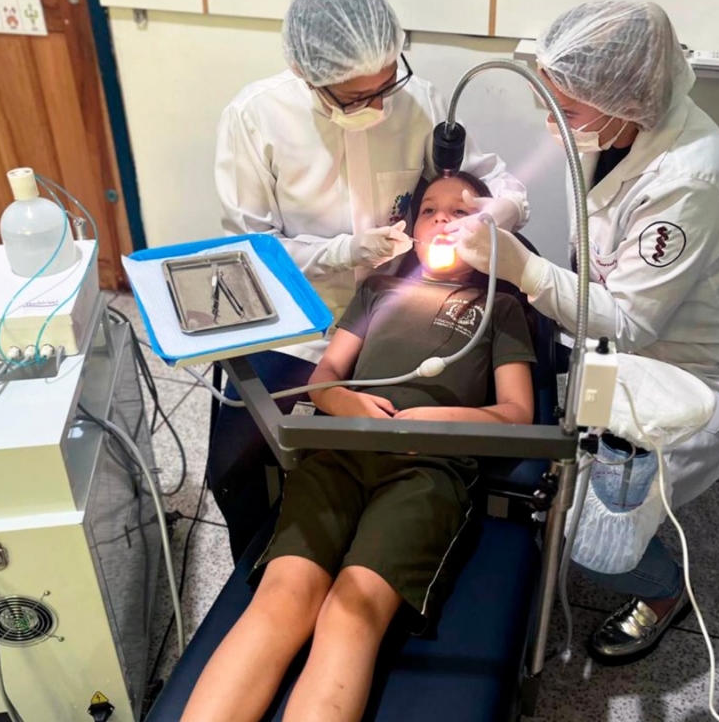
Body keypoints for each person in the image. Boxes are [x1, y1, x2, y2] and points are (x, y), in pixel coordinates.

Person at [452, 0, 719, 665]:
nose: (552, 122)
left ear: (625, 99)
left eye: (565, 111)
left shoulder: (689, 180)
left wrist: (521, 267)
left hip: (693, 381)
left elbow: (630, 319)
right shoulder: (615, 134)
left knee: (581, 530)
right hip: (617, 355)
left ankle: (663, 591)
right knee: (561, 476)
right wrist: (503, 219)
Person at [181, 174, 536, 722]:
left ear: (488, 230)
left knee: (352, 610)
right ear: (411, 228)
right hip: (339, 451)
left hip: (425, 472)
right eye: (429, 210)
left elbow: (517, 414)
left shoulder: (498, 308)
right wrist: (343, 401)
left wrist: (439, 420)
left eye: (461, 212)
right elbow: (324, 376)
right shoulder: (378, 291)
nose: (442, 219)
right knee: (282, 598)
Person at [209, 0, 527, 556]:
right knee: (236, 468)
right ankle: (265, 569)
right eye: (356, 98)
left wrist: (496, 211)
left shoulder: (420, 102)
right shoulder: (256, 118)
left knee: (404, 457)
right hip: (301, 328)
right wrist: (342, 252)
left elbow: (499, 184)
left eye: (386, 84)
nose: (380, 107)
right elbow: (250, 252)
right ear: (307, 73)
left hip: (394, 320)